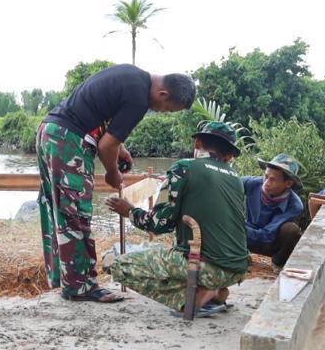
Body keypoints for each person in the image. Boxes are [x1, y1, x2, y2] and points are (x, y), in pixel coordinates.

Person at [37, 64, 196, 303]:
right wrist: (112, 173)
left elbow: (103, 123)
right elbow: (105, 146)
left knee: (59, 210)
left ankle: (65, 279)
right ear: (163, 94)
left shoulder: (132, 76)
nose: (162, 112)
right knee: (76, 214)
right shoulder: (138, 99)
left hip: (50, 131)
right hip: (68, 140)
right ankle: (81, 287)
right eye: (167, 110)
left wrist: (120, 148)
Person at [104, 122, 249, 315]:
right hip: (238, 268)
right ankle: (214, 292)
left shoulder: (184, 168)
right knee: (166, 253)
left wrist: (130, 211)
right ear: (229, 156)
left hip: (208, 266)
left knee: (115, 265)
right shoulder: (236, 178)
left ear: (197, 143)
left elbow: (159, 224)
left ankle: (198, 296)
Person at [244, 154, 305, 268]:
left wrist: (238, 229)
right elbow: (229, 184)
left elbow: (267, 236)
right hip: (246, 233)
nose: (266, 183)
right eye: (266, 176)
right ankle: (239, 253)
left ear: (288, 184)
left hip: (270, 242)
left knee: (291, 230)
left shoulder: (295, 205)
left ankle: (278, 263)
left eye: (273, 179)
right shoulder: (253, 183)